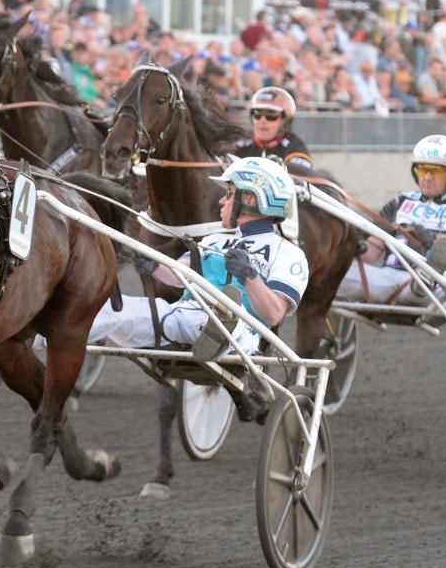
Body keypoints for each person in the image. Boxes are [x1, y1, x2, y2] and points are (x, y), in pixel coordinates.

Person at [87, 157, 309, 418]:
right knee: (110, 311)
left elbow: (274, 315)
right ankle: (37, 334)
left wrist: (250, 276)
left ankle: (218, 325)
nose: (221, 202)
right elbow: (177, 275)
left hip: (244, 333)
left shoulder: (288, 254)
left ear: (250, 200)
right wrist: (152, 264)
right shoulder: (214, 240)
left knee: (215, 318)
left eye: (229, 194)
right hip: (185, 317)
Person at [338, 135, 446, 305]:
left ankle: (423, 280)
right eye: (422, 170)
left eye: (435, 171)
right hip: (387, 279)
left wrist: (429, 238)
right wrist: (354, 244)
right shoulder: (399, 203)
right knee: (334, 272)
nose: (427, 177)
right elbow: (372, 251)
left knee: (429, 273)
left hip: (436, 287)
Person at [232, 86, 313, 172]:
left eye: (271, 115)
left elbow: (303, 174)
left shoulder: (295, 147)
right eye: (257, 114)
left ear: (285, 121)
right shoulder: (238, 142)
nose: (262, 120)